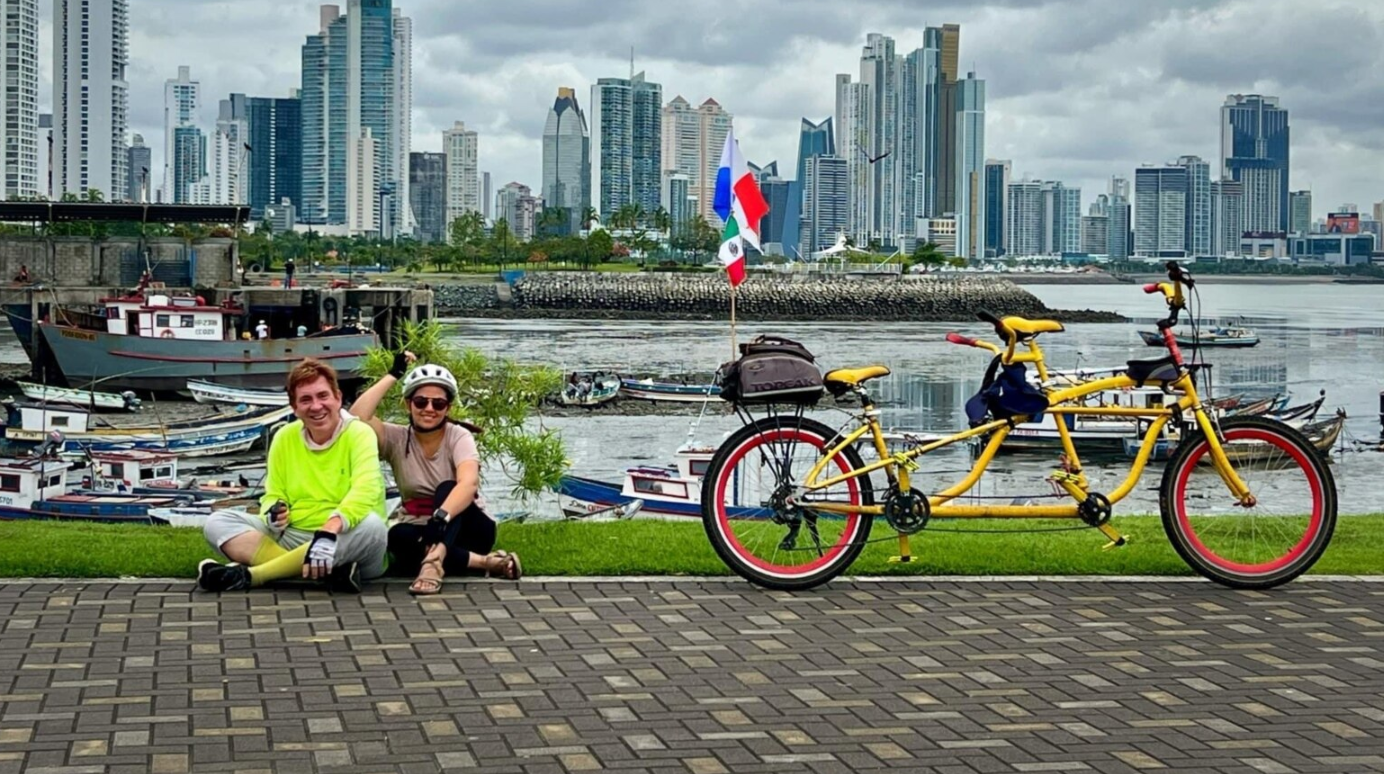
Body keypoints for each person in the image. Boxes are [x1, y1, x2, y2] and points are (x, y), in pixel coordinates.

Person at [197, 359, 387, 593]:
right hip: (295, 534)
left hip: (343, 538)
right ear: (294, 407)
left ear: (338, 398)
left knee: (373, 525)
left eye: (322, 396)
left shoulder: (360, 434)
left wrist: (330, 528)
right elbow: (273, 494)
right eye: (306, 399)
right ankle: (320, 573)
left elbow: (366, 489)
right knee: (217, 522)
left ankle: (254, 575)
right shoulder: (284, 437)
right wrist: (274, 512)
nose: (316, 406)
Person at [350, 352, 520, 595]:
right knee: (397, 536)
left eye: (438, 404)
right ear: (408, 404)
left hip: (468, 526)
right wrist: (393, 374)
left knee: (447, 488)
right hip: (419, 529)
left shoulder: (458, 436)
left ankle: (433, 564)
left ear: (447, 407)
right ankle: (486, 563)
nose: (429, 409)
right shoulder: (396, 438)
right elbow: (356, 417)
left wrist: (440, 518)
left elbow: (468, 483)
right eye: (420, 402)